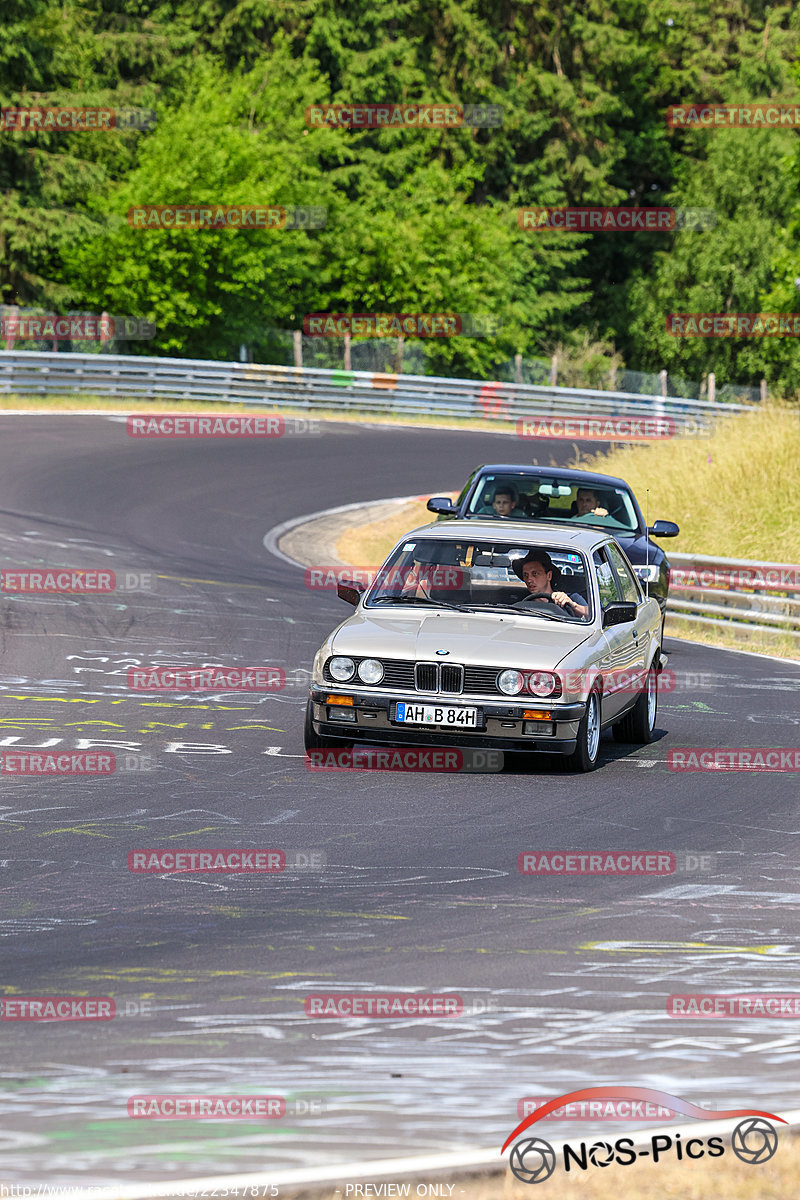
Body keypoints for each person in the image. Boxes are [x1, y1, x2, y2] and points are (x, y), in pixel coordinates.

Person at [511, 549, 589, 618]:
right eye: (525, 575)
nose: (529, 580)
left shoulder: (571, 598)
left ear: (549, 576)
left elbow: (591, 615)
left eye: (535, 574)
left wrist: (573, 605)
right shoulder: (522, 603)